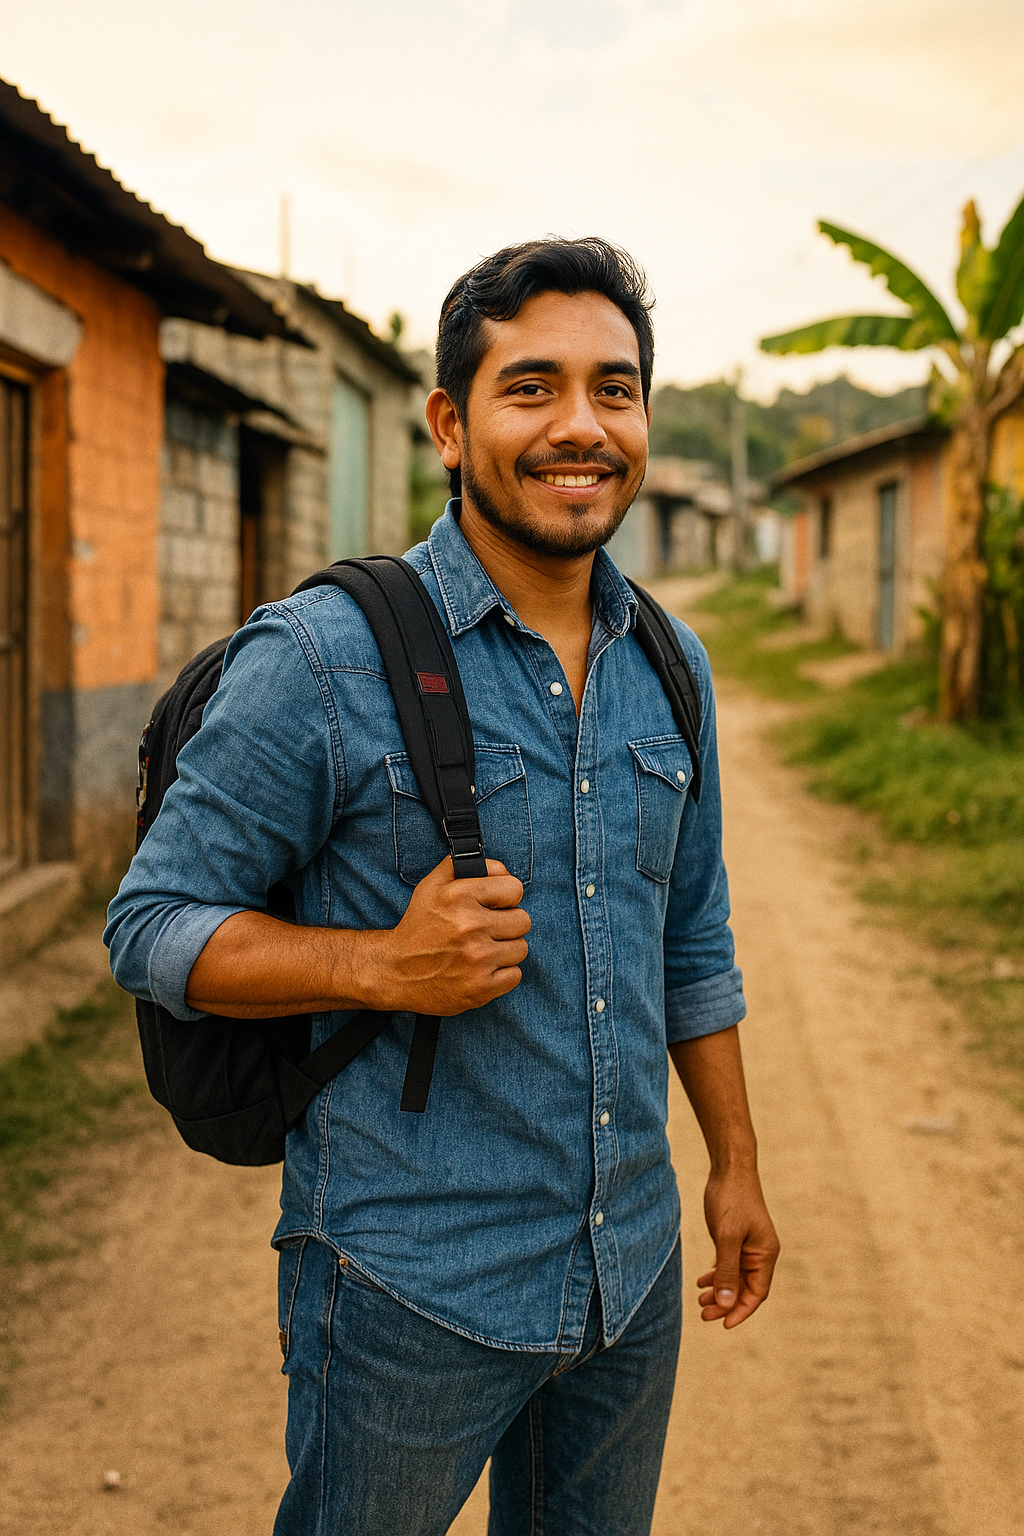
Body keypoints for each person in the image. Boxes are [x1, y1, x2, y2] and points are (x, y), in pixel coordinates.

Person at [106, 236, 779, 1536]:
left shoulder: (670, 663)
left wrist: (735, 1166)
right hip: (406, 1286)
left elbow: (691, 936)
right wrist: (374, 964)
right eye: (531, 388)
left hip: (625, 1279)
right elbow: (148, 926)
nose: (581, 426)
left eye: (616, 388)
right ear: (450, 425)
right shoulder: (322, 658)